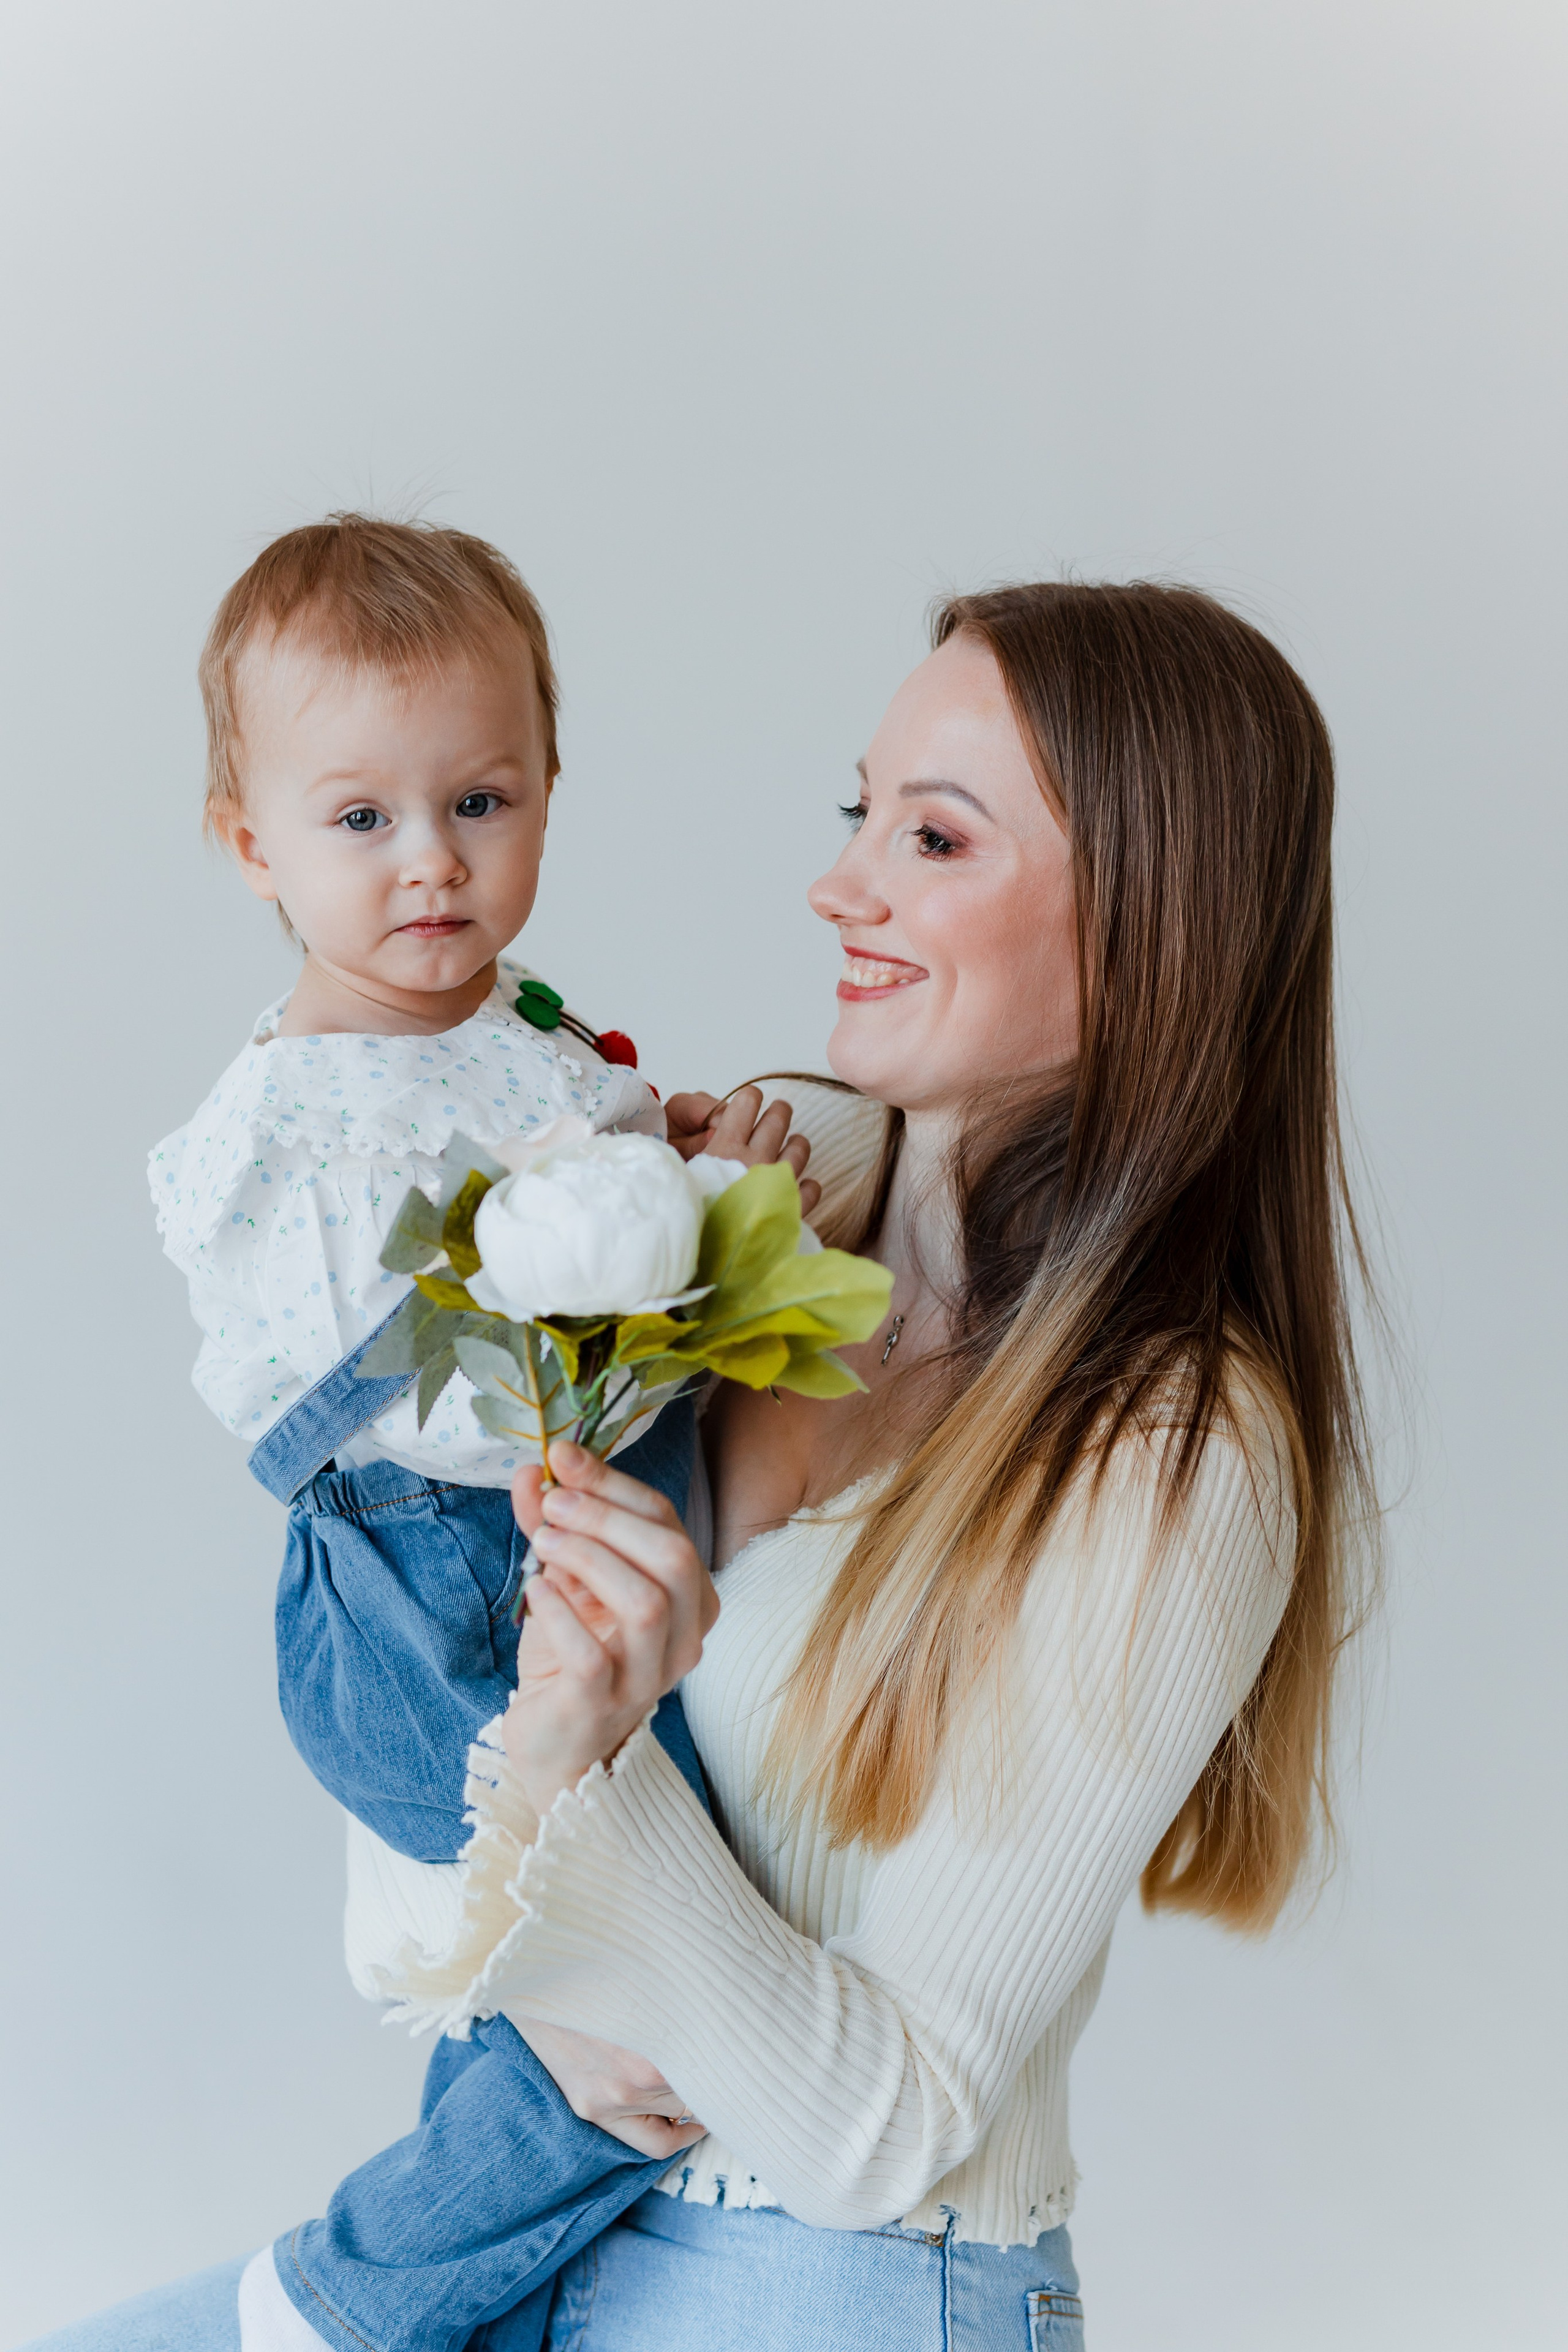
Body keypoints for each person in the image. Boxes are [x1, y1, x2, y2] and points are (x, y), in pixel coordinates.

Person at [35, 578, 1375, 2351]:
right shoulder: (754, 1186)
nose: (842, 884)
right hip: (529, 2224)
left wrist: (597, 1768)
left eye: (935, 837)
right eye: (859, 815)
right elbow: (420, 1664)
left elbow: (887, 2129)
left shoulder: (1171, 1446)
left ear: (1151, 923)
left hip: (836, 2286)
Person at [145, 514, 815, 2352]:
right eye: (359, 820)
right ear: (250, 842)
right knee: (632, 2027)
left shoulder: (506, 1028)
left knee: (605, 1989)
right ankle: (337, 2302)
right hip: (420, 1592)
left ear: (546, 793)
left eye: (483, 801)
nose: (430, 864)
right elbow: (443, 1392)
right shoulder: (301, 1115)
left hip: (556, 1564)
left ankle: (490, 2314)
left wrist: (678, 1174)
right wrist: (671, 1230)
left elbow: (568, 1220)